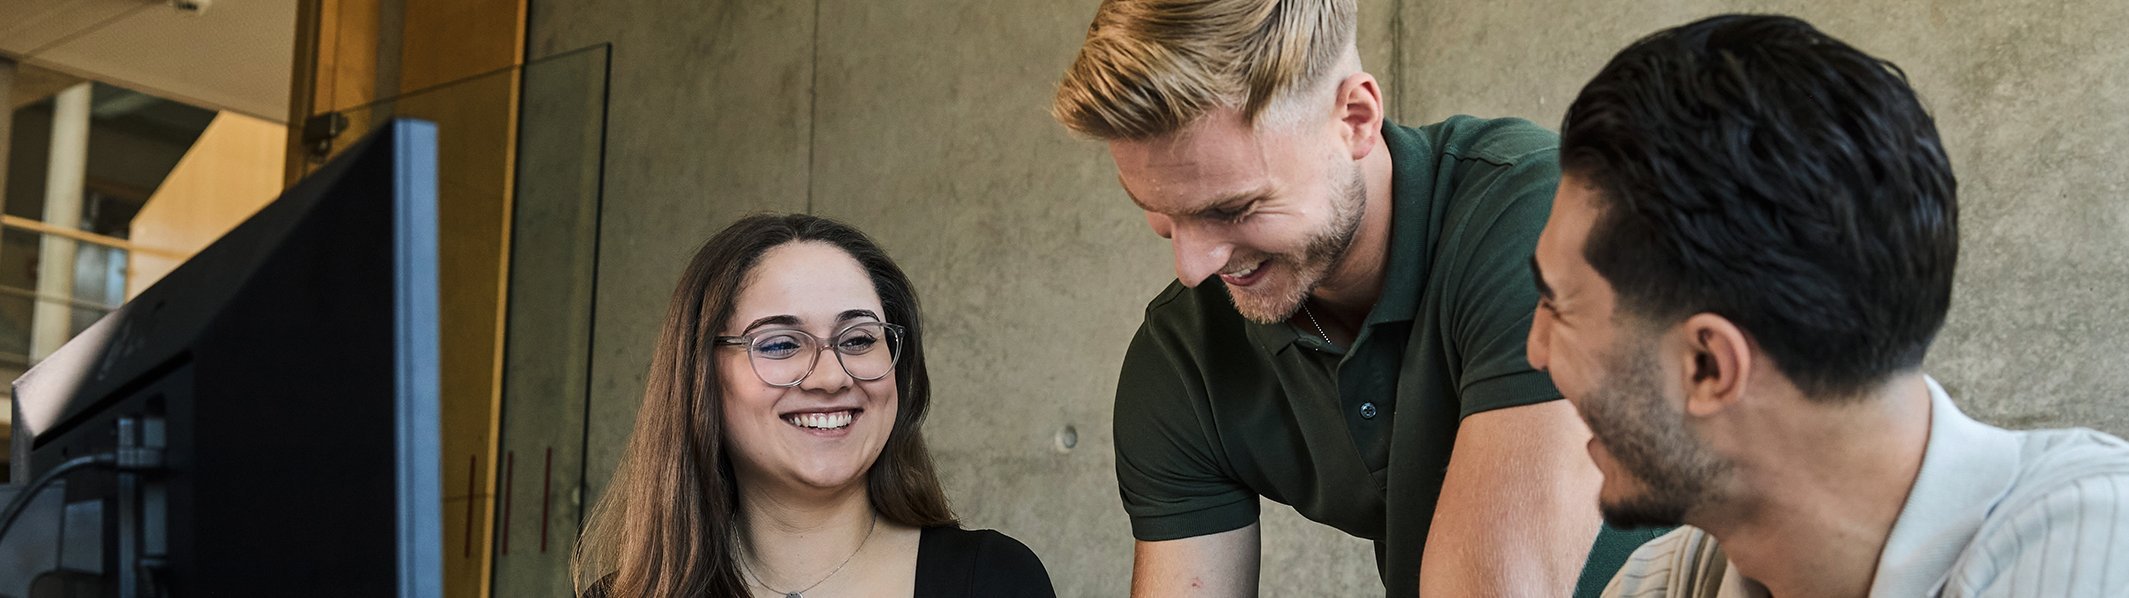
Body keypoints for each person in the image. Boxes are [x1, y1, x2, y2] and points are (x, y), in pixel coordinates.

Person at [1052, 1, 1662, 595]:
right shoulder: (1183, 357)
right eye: (1161, 213)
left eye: (1233, 209)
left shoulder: (1534, 222)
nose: (1193, 266)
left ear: (1355, 119)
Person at [1526, 14, 2129, 598]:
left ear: (1708, 365)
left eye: (1558, 305)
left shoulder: (2095, 549)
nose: (1535, 350)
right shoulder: (1661, 581)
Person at [572, 214, 1056, 597]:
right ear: (700, 378)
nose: (831, 376)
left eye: (860, 338)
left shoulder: (995, 580)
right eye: (781, 344)